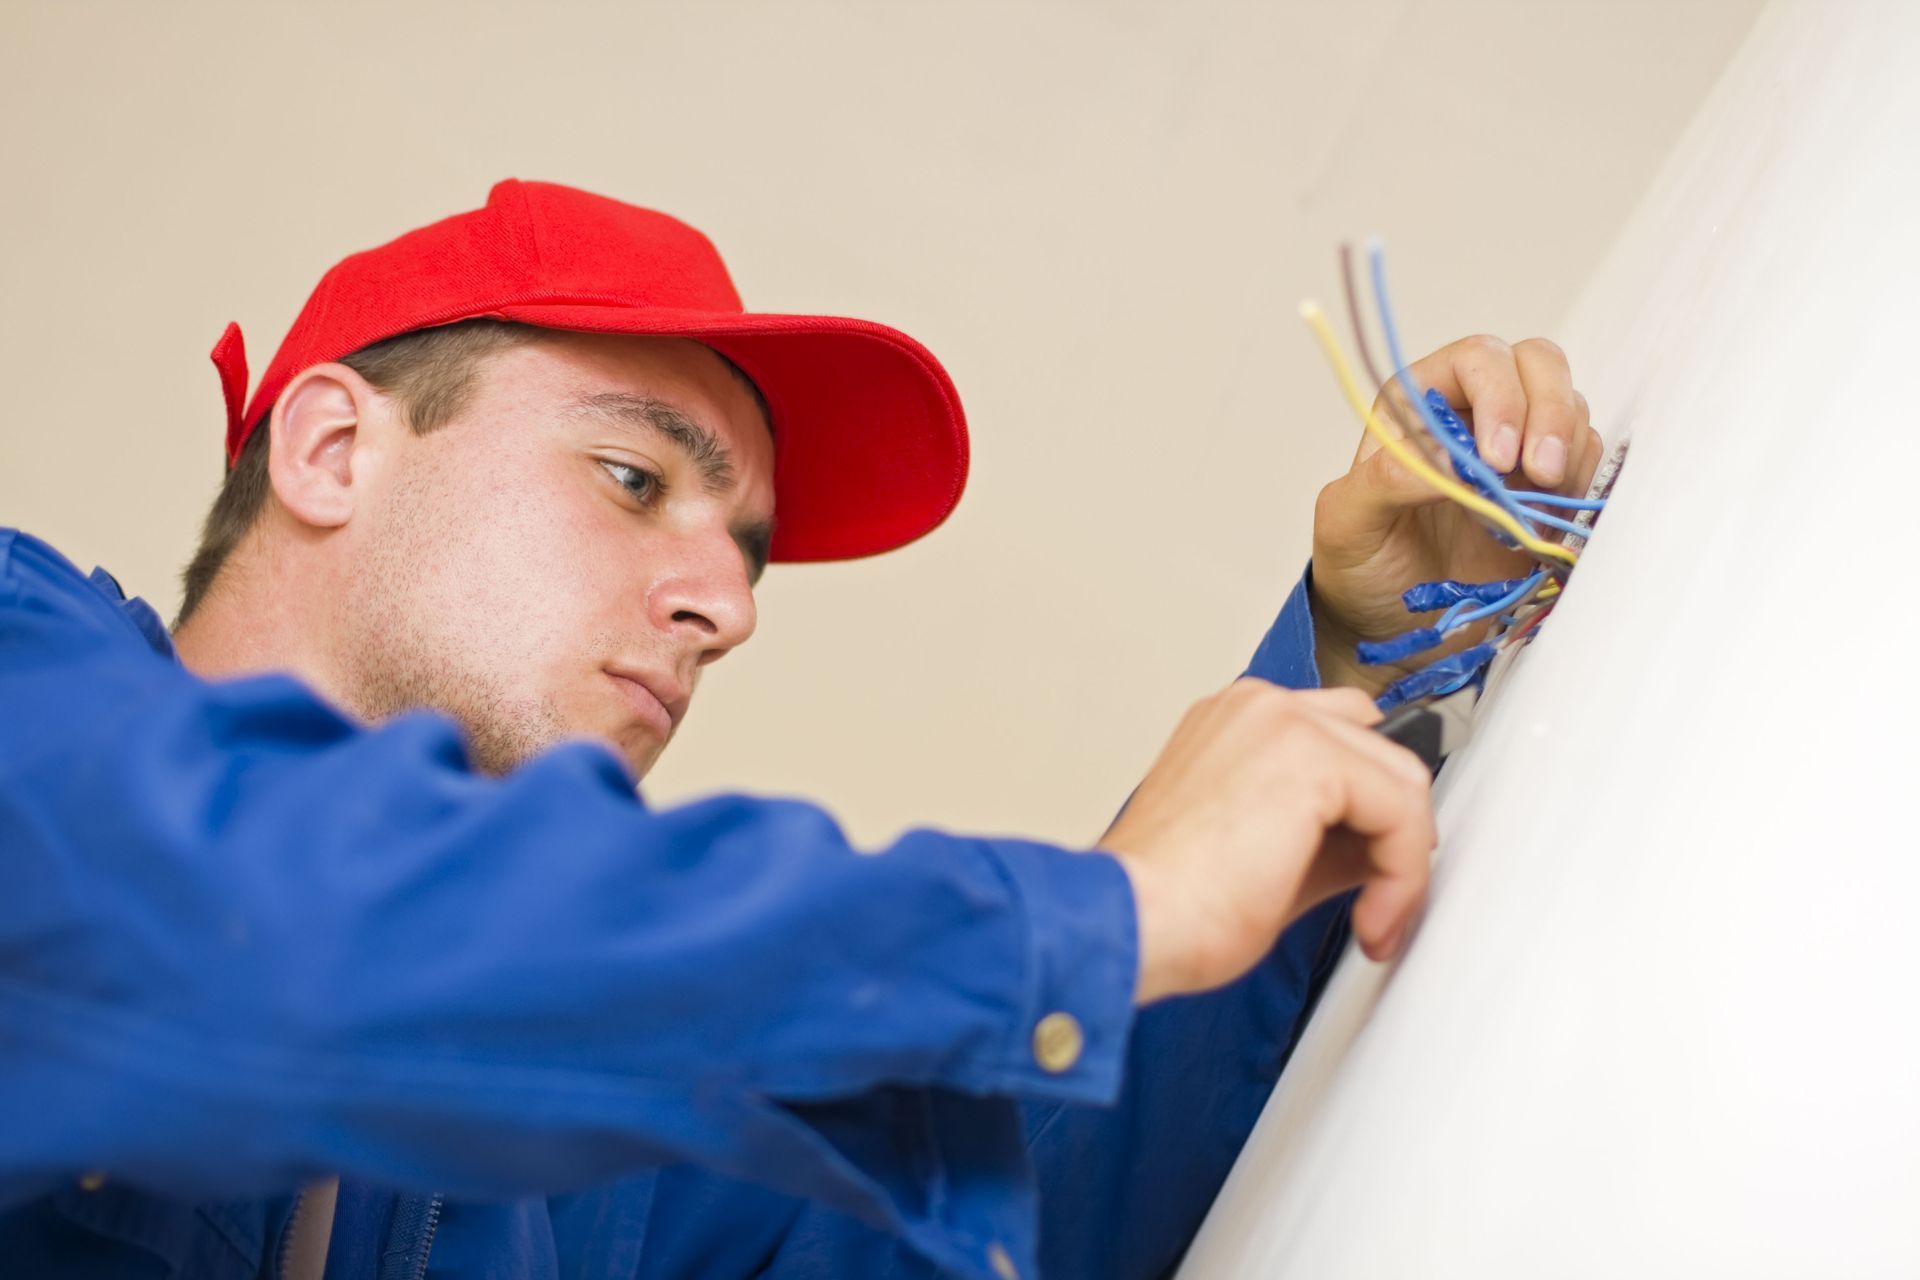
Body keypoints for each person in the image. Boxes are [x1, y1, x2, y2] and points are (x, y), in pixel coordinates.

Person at [0, 180, 1600, 1279]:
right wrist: (1097, 912)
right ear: (334, 451)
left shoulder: (577, 1169)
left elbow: (1009, 1213)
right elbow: (247, 915)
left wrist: (1353, 668)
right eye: (636, 479)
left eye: (746, 551)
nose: (726, 605)